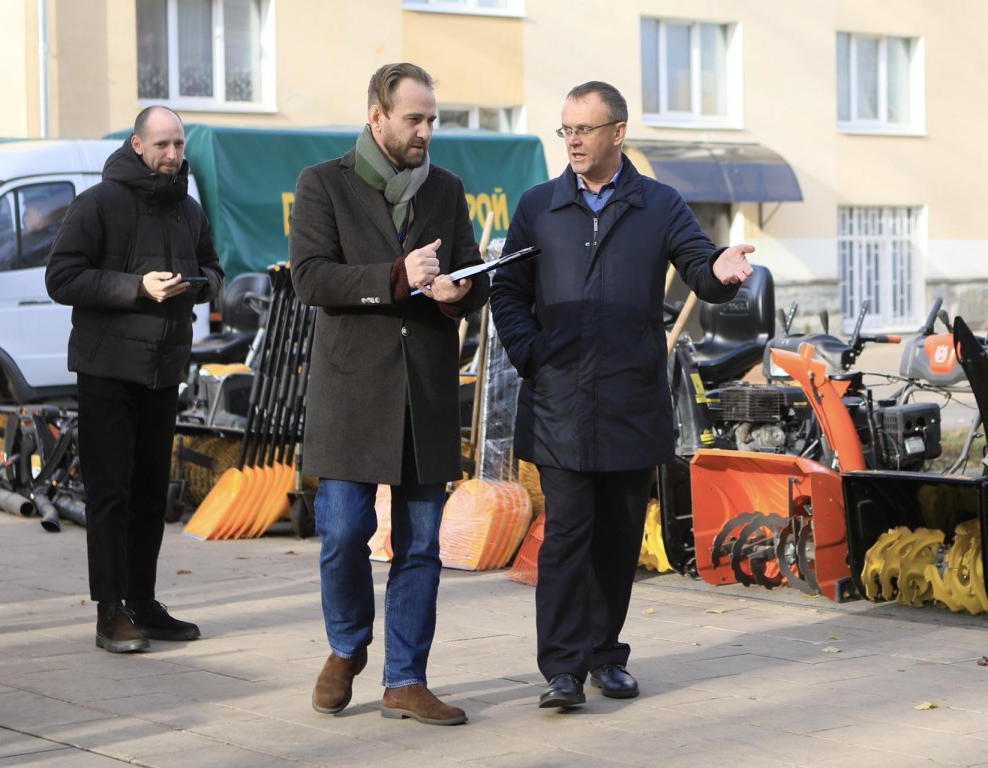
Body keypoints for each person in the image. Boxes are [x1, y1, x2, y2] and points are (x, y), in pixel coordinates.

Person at [490, 81, 754, 709]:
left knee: (617, 537)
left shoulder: (659, 204)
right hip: (559, 403)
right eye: (566, 130)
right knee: (566, 536)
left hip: (632, 402)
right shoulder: (538, 206)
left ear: (618, 132)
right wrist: (533, 355)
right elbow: (506, 291)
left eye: (585, 129)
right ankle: (561, 669)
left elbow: (699, 263)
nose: (573, 141)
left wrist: (717, 273)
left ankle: (606, 656)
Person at [288, 62, 488, 726]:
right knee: (344, 533)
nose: (427, 131)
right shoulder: (324, 184)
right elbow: (312, 280)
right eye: (415, 119)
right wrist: (397, 276)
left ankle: (405, 680)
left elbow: (471, 273)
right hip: (350, 396)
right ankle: (346, 648)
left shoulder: (448, 189)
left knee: (422, 545)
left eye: (433, 119)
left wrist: (462, 293)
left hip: (426, 394)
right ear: (378, 117)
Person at [46, 106, 223, 654]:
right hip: (107, 372)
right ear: (138, 145)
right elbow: (62, 276)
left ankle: (143, 604)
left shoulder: (189, 210)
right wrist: (137, 288)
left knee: (151, 495)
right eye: (162, 144)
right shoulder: (98, 203)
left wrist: (198, 286)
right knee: (109, 496)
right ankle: (110, 612)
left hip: (163, 371)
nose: (173, 155)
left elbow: (214, 270)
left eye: (178, 145)